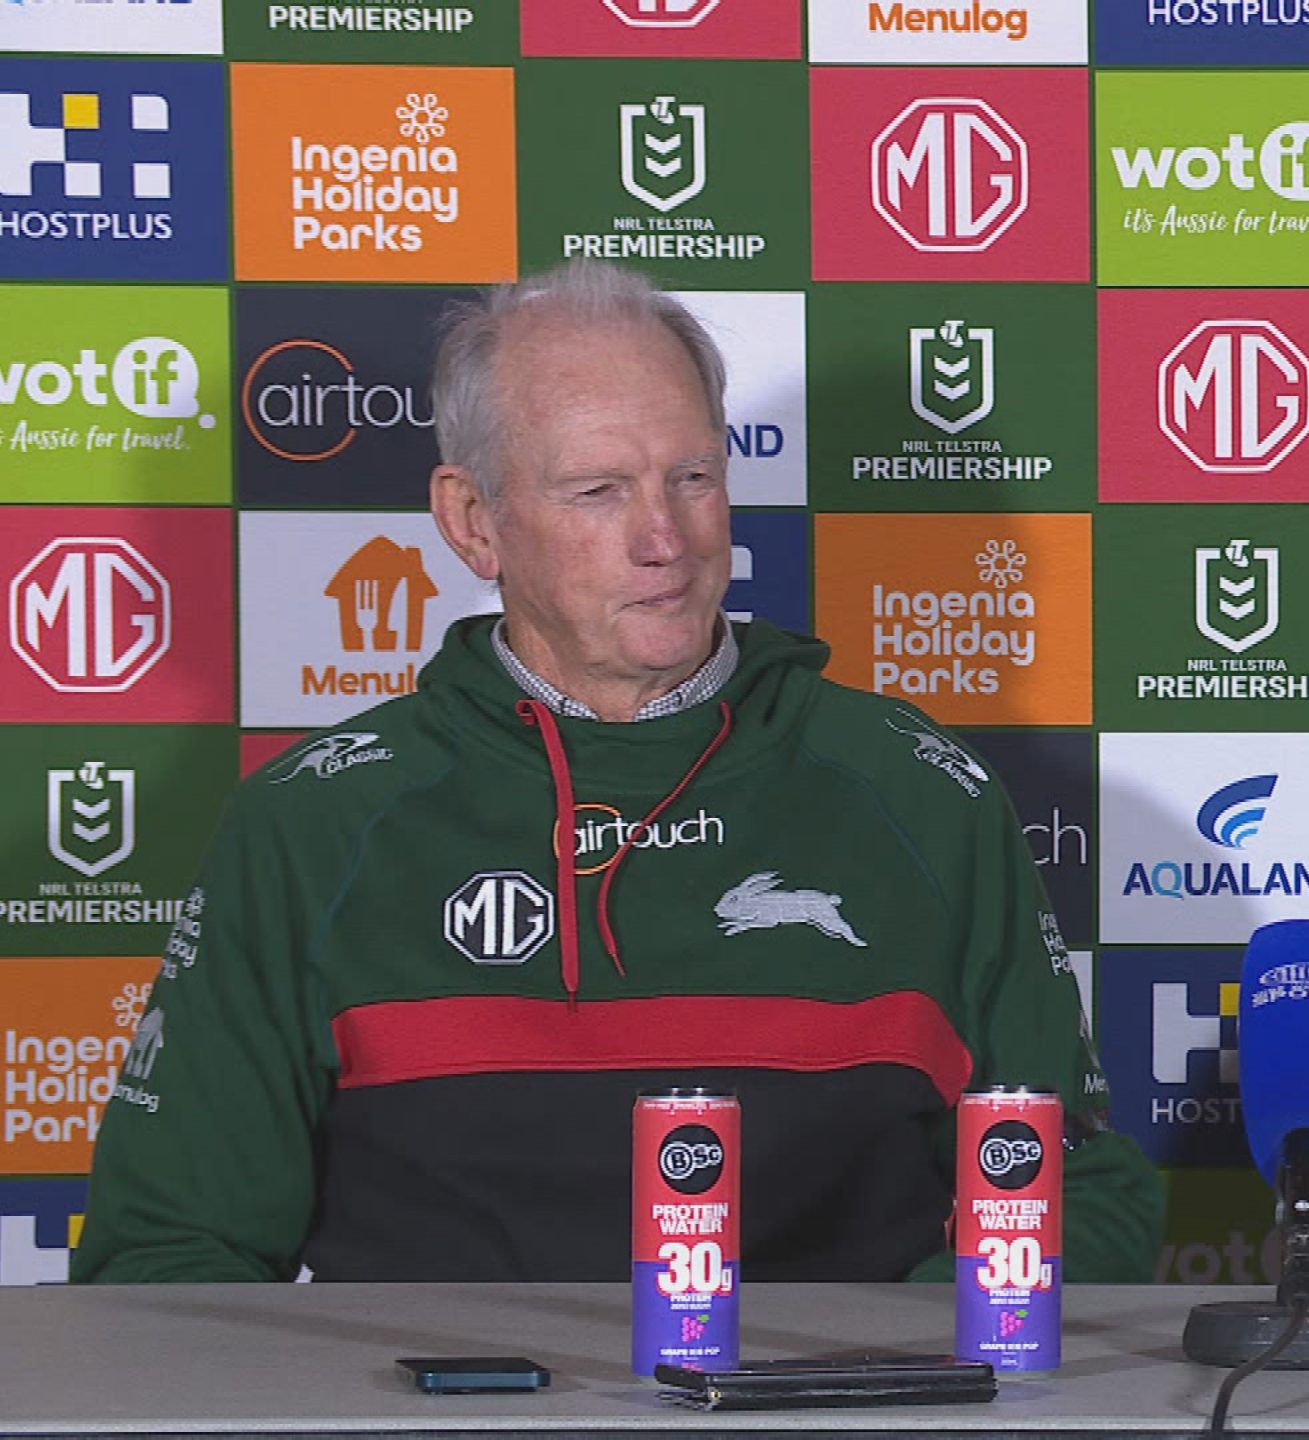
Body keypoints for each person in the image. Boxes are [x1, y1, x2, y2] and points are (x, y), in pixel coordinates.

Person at [73, 260, 1163, 1283]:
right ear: (472, 520)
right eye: (597, 492)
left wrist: (889, 1381)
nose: (666, 539)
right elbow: (167, 1256)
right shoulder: (311, 825)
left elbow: (1077, 1190)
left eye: (691, 477)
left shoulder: (920, 792)